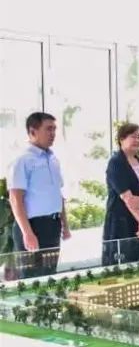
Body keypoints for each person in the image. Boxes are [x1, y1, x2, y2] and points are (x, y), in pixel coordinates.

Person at [8, 112, 71, 278]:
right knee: (31, 278)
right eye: (48, 129)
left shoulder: (53, 160)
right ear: (33, 131)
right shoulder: (22, 160)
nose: (53, 133)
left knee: (49, 276)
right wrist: (27, 233)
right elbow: (15, 199)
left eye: (54, 129)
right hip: (32, 226)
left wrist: (65, 225)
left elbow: (58, 194)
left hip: (52, 226)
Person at [102, 123, 139, 265]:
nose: (138, 140)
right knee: (123, 264)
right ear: (121, 139)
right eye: (133, 137)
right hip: (122, 222)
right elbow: (128, 199)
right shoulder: (116, 162)